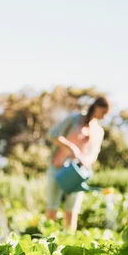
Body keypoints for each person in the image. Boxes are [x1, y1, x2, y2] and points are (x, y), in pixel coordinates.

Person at [45, 96, 110, 231]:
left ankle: (69, 239)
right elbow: (53, 135)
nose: (105, 115)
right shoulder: (74, 119)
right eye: (103, 111)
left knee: (72, 209)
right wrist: (71, 148)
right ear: (97, 107)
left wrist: (84, 160)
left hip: (76, 172)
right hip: (58, 166)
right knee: (53, 205)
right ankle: (48, 238)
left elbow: (94, 153)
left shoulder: (98, 131)